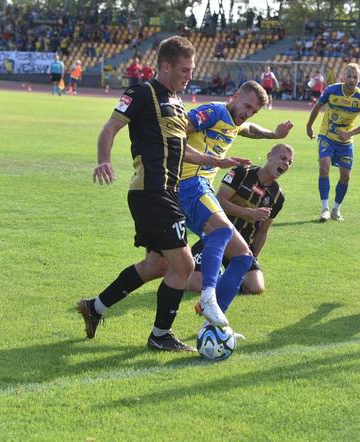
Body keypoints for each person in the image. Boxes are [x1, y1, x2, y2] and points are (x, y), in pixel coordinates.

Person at [76, 36, 246, 351]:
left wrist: (217, 161)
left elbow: (181, 151)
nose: (189, 76)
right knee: (183, 266)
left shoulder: (178, 104)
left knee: (157, 266)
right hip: (150, 191)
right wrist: (103, 160)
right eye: (184, 70)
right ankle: (160, 336)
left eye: (191, 70)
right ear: (165, 66)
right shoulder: (141, 93)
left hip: (168, 192)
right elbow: (110, 127)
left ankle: (94, 307)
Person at [102, 81, 292, 325]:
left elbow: (247, 128)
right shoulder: (214, 111)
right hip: (189, 183)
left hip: (189, 190)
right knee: (222, 231)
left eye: (253, 111)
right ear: (234, 96)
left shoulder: (234, 121)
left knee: (238, 258)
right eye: (246, 106)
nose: (247, 113)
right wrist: (213, 161)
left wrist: (274, 134)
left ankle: (96, 306)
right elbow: (176, 136)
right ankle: (208, 298)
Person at [188, 143, 293, 296]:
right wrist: (249, 212)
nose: (286, 163)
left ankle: (222, 275)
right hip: (215, 239)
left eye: (289, 162)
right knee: (195, 285)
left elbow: (263, 232)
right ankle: (204, 269)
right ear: (269, 156)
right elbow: (219, 201)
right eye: (283, 158)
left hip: (241, 248)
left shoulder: (277, 196)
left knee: (255, 287)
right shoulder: (242, 173)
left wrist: (253, 257)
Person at [305, 63, 360, 222]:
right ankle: (325, 208)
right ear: (343, 77)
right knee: (324, 167)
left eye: (355, 77)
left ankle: (336, 209)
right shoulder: (332, 90)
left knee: (345, 177)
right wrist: (309, 126)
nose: (351, 80)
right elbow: (317, 107)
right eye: (349, 76)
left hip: (346, 142)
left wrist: (350, 133)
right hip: (327, 136)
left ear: (359, 79)